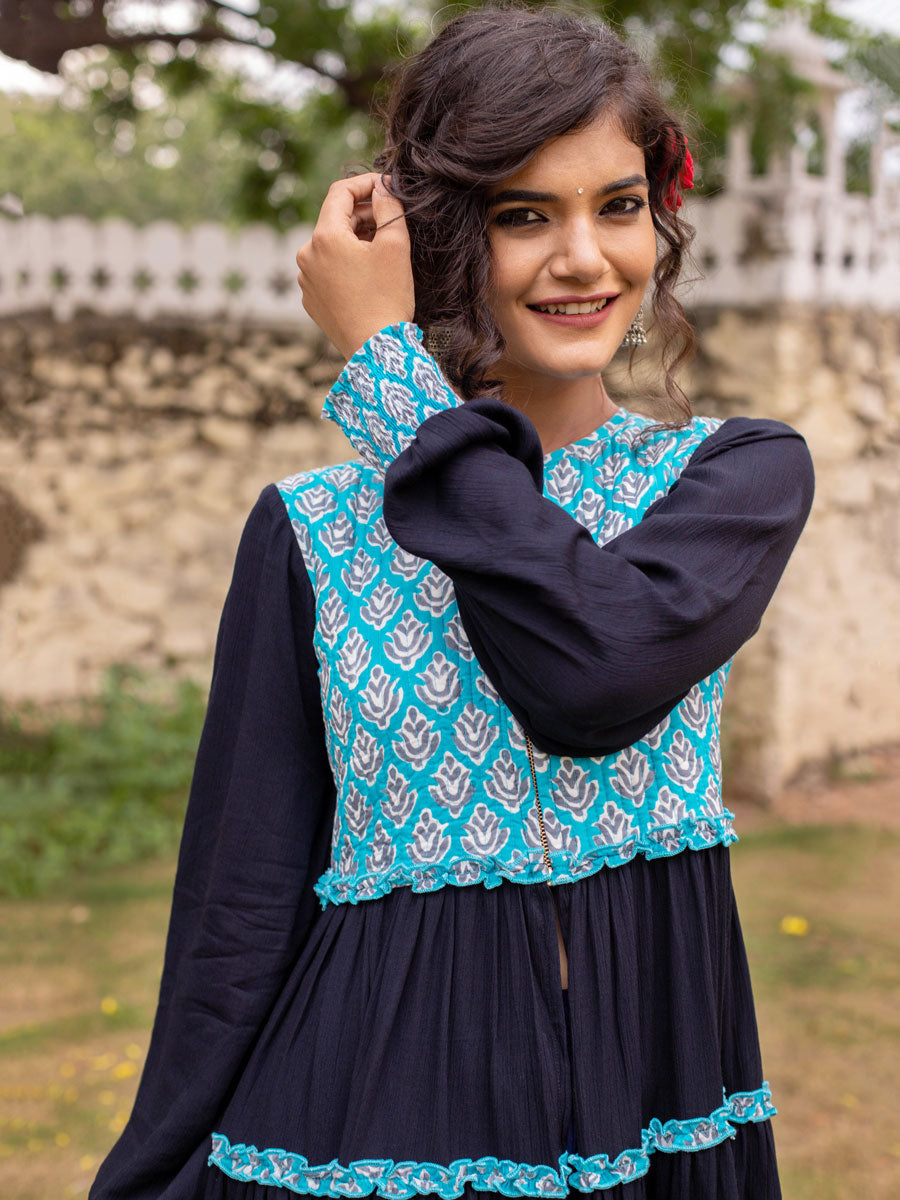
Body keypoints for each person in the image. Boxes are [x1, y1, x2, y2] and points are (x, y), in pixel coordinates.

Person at [90, 6, 814, 1199]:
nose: (583, 258)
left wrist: (393, 386)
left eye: (618, 206)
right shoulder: (313, 532)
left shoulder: (732, 477)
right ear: (436, 240)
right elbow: (239, 905)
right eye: (523, 215)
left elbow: (592, 672)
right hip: (361, 1133)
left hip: (657, 1109)